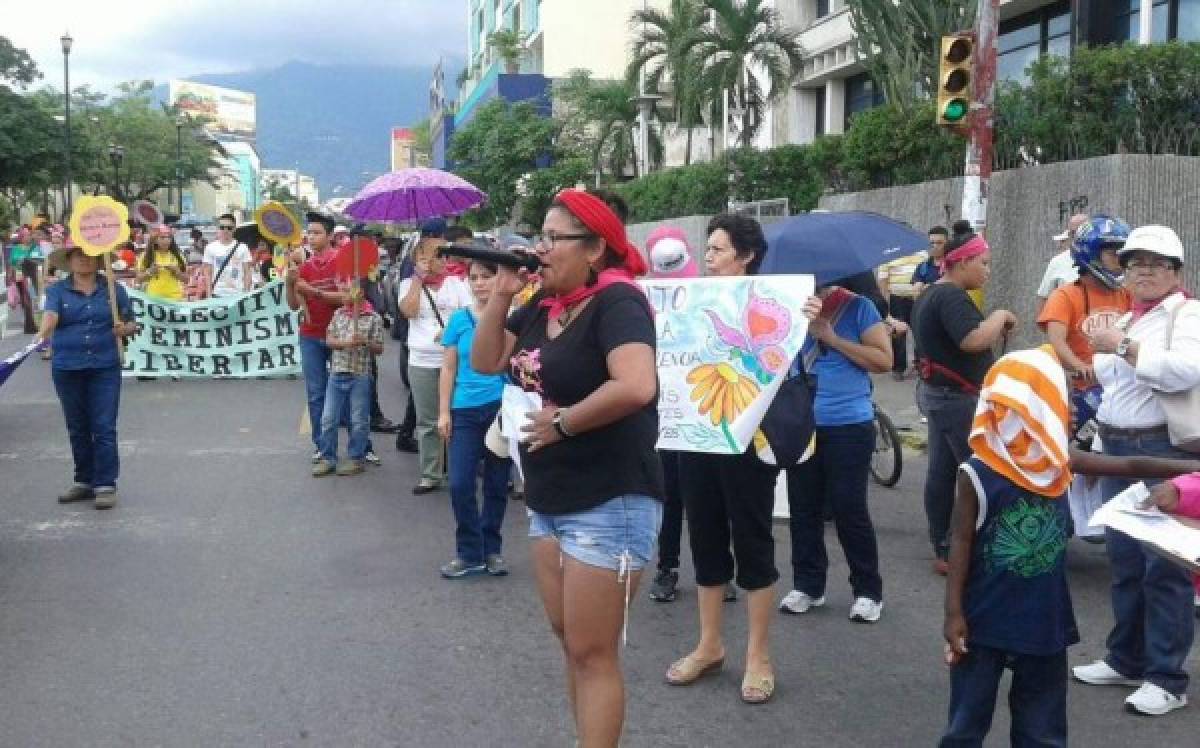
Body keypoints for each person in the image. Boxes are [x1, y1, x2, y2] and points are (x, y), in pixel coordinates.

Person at [470, 189, 662, 746]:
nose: (542, 248)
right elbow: (487, 361)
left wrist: (563, 424)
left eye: (555, 238)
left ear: (596, 247)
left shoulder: (617, 302)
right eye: (542, 236)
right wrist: (500, 297)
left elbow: (636, 385)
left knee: (592, 652)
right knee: (570, 643)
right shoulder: (543, 304)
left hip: (611, 499)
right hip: (550, 500)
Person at [664, 213, 820, 705]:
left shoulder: (778, 305)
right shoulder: (691, 301)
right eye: (707, 250)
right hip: (698, 435)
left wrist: (807, 318)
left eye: (717, 250)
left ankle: (759, 654)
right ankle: (709, 645)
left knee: (752, 540)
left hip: (750, 441)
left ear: (746, 256)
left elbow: (784, 360)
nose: (707, 258)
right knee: (705, 537)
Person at [1073, 224, 1200, 716]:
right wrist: (1097, 358)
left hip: (1161, 450)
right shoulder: (1133, 317)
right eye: (1133, 264)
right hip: (1117, 447)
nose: (1143, 272)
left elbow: (1185, 370)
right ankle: (1125, 658)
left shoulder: (1186, 314)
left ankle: (1167, 678)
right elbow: (1117, 383)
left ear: (1175, 272)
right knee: (1124, 563)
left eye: (1155, 264)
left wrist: (1119, 346)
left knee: (1164, 568)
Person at [940, 346, 1077, 747]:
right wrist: (953, 614)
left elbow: (1128, 468)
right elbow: (960, 541)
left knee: (1043, 728)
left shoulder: (1058, 462)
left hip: (1045, 618)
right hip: (983, 620)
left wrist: (1180, 472)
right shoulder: (977, 472)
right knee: (966, 722)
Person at [781, 279, 892, 622]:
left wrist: (831, 337)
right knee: (803, 508)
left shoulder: (859, 307)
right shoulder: (786, 307)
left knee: (848, 508)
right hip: (801, 422)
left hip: (848, 423)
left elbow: (883, 360)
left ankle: (868, 591)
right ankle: (808, 585)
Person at [912, 229, 1017, 574]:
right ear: (963, 262)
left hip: (939, 395)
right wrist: (1000, 316)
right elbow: (972, 340)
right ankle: (978, 547)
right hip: (957, 400)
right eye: (983, 263)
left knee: (942, 473)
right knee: (980, 473)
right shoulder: (951, 298)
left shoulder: (930, 294)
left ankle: (944, 547)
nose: (987, 271)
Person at [37, 240, 137, 510]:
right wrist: (43, 332)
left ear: (99, 259)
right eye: (77, 256)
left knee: (103, 426)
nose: (84, 260)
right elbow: (50, 317)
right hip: (67, 367)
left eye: (90, 255)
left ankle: (105, 484)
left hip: (104, 366)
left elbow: (132, 323)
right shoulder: (58, 290)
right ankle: (84, 481)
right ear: (69, 261)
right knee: (77, 426)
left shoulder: (114, 291)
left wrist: (124, 329)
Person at [437, 255, 511, 578]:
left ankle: (491, 549)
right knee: (460, 482)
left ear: (499, 279)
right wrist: (443, 412)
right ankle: (469, 551)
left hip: (501, 408)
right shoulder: (458, 320)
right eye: (474, 277)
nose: (480, 283)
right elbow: (449, 367)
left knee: (497, 483)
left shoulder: (510, 319)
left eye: (486, 276)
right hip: (464, 409)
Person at [643, 226, 699, 603]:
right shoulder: (640, 298)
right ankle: (666, 567)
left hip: (703, 409)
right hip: (662, 413)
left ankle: (717, 568)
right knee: (670, 496)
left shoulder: (709, 294)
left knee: (706, 497)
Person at [397, 231, 473, 494]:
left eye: (443, 253)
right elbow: (408, 311)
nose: (439, 259)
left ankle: (458, 470)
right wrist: (418, 279)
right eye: (432, 253)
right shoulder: (408, 284)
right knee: (428, 420)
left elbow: (471, 315)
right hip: (421, 360)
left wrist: (451, 330)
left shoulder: (456, 284)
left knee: (456, 416)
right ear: (419, 256)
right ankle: (430, 473)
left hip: (453, 360)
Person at [1038, 215, 1131, 389]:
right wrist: (1080, 367)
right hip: (1080, 389)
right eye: (1113, 254)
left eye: (1123, 255)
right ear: (1092, 253)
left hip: (1118, 386)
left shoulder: (1127, 294)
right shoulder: (1064, 296)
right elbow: (1056, 340)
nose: (1120, 262)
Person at [286, 212, 348, 464]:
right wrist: (289, 284)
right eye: (308, 233)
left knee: (347, 390)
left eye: (317, 232)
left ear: (330, 236)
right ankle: (322, 446)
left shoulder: (342, 261)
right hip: (310, 335)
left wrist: (313, 291)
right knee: (315, 393)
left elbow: (347, 298)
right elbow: (292, 306)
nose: (311, 237)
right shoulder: (302, 267)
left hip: (340, 335)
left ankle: (361, 445)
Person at [312, 282, 384, 478]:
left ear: (359, 292)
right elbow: (329, 340)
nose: (341, 294)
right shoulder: (339, 315)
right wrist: (345, 343)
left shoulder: (373, 318)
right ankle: (328, 457)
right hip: (337, 373)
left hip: (360, 374)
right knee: (328, 418)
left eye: (346, 290)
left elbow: (379, 348)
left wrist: (365, 342)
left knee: (359, 420)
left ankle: (356, 457)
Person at [877, 248, 926, 379]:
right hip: (896, 299)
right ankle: (898, 368)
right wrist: (884, 303)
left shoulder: (922, 254)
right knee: (898, 333)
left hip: (918, 298)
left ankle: (921, 365)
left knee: (920, 331)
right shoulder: (887, 254)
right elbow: (883, 280)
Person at [1036, 213, 1089, 309]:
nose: (1077, 236)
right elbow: (1044, 298)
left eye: (1082, 232)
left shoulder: (1104, 259)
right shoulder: (1057, 261)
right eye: (1073, 233)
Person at [202, 214, 253, 298]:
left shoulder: (243, 247)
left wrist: (246, 294)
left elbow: (247, 272)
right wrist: (209, 296)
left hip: (237, 295)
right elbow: (208, 274)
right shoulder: (210, 247)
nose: (225, 230)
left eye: (229, 228)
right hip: (217, 294)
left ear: (234, 229)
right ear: (218, 228)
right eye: (222, 227)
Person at [137, 224, 188, 301]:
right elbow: (138, 279)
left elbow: (186, 279)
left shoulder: (178, 256)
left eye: (169, 237)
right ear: (155, 240)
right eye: (162, 237)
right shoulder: (146, 256)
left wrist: (177, 271)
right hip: (154, 299)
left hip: (175, 298)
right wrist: (150, 272)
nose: (166, 240)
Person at [912, 226, 948, 298]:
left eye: (939, 243)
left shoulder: (953, 265)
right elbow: (916, 292)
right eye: (932, 243)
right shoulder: (923, 266)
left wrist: (930, 288)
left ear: (947, 243)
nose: (935, 246)